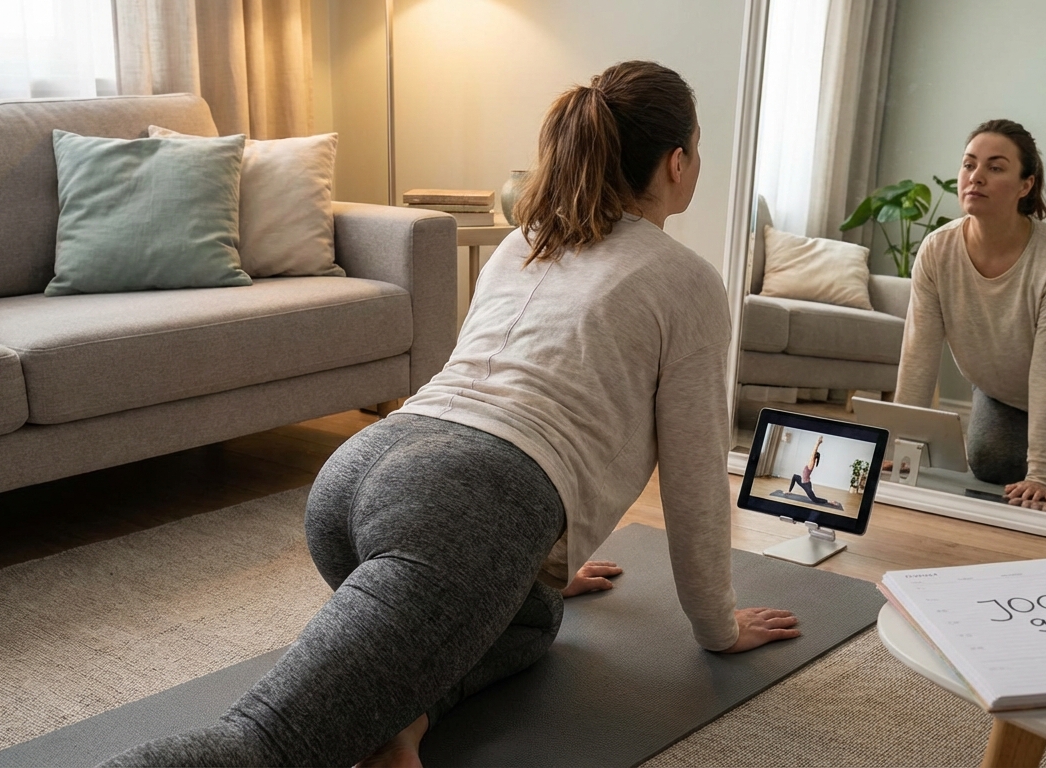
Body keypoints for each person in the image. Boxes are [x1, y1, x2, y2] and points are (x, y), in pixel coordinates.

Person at [102, 61, 800, 768]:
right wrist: (718, 627)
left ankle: (404, 722)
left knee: (533, 622)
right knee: (264, 743)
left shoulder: (521, 243)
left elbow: (503, 398)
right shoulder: (688, 281)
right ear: (678, 163)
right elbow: (695, 477)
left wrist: (523, 558)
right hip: (459, 509)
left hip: (363, 474)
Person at [894, 119, 1046, 507]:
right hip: (1000, 391)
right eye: (969, 165)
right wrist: (896, 444)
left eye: (995, 167)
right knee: (989, 464)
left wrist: (1040, 472)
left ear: (1025, 185)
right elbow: (919, 351)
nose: (976, 177)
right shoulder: (937, 250)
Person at [788, 436, 825, 503]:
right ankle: (789, 491)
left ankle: (829, 502)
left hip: (806, 484)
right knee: (795, 476)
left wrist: (817, 443)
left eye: (813, 456)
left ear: (815, 457)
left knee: (815, 500)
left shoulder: (812, 463)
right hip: (803, 481)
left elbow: (813, 452)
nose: (811, 456)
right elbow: (813, 454)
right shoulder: (810, 463)